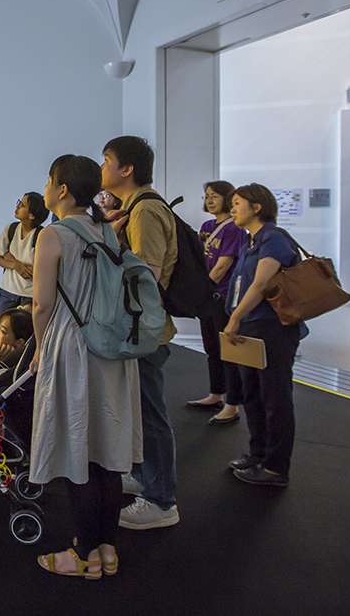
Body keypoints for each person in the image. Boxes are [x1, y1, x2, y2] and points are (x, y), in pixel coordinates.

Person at [30, 154, 142, 580]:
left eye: (49, 180)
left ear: (62, 190)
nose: (45, 187)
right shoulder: (106, 230)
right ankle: (107, 549)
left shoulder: (53, 234)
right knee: (106, 453)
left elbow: (42, 304)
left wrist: (41, 348)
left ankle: (83, 554)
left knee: (77, 448)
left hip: (73, 347)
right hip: (111, 348)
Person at [100, 136, 180, 529]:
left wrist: (109, 241)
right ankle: (146, 476)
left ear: (126, 169)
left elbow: (146, 277)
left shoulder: (145, 210)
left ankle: (162, 501)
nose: (102, 168)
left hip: (143, 331)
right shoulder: (134, 208)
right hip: (138, 328)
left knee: (150, 414)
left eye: (107, 160)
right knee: (139, 409)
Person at [223, 183, 306, 487]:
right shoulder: (250, 241)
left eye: (237, 203)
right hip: (251, 326)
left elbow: (260, 284)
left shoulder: (274, 238)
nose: (232, 209)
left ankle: (275, 467)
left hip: (273, 328)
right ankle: (257, 454)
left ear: (257, 206)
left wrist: (234, 318)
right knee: (253, 394)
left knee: (275, 398)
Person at [186, 181, 247, 425]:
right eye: (207, 196)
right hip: (208, 296)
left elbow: (223, 266)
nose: (209, 200)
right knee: (212, 348)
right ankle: (216, 394)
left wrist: (204, 289)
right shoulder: (207, 227)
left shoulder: (234, 228)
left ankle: (233, 405)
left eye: (215, 196)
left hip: (223, 296)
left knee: (228, 352)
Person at [0, 192, 47, 317]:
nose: (17, 206)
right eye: (19, 202)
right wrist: (16, 265)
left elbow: (43, 269)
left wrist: (10, 257)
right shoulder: (11, 229)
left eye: (22, 205)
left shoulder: (41, 235)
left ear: (32, 215)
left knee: (25, 327)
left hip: (30, 294)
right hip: (7, 290)